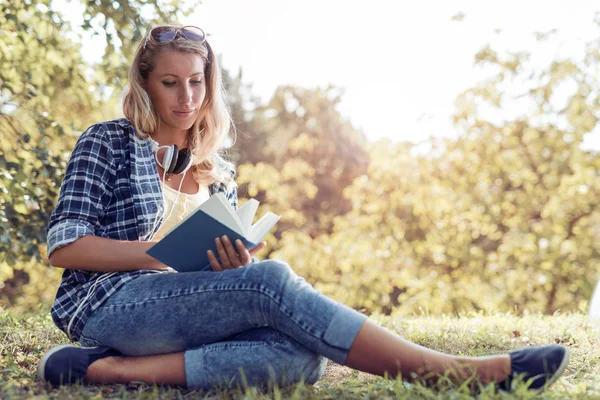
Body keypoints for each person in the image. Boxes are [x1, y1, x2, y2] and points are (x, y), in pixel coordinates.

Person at [37, 25, 570, 393]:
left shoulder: (215, 170)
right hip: (109, 304)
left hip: (180, 311)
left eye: (197, 81)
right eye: (170, 82)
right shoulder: (107, 141)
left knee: (299, 355)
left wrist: (231, 267)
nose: (187, 96)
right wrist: (158, 253)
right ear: (147, 85)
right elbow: (64, 247)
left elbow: (218, 276)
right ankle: (450, 372)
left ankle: (112, 372)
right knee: (273, 283)